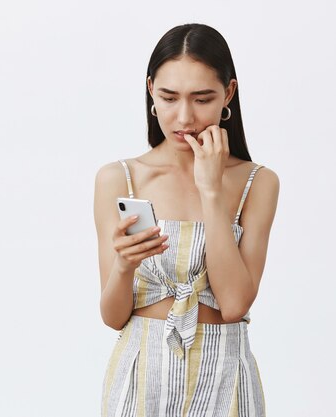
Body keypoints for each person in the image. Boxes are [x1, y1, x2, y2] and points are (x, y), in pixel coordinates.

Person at [93, 23, 279, 417]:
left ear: (228, 93)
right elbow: (113, 317)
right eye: (169, 97)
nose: (184, 117)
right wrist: (124, 266)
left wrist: (211, 191)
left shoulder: (256, 182)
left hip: (224, 374)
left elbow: (233, 304)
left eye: (202, 98)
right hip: (142, 374)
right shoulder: (120, 178)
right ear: (150, 93)